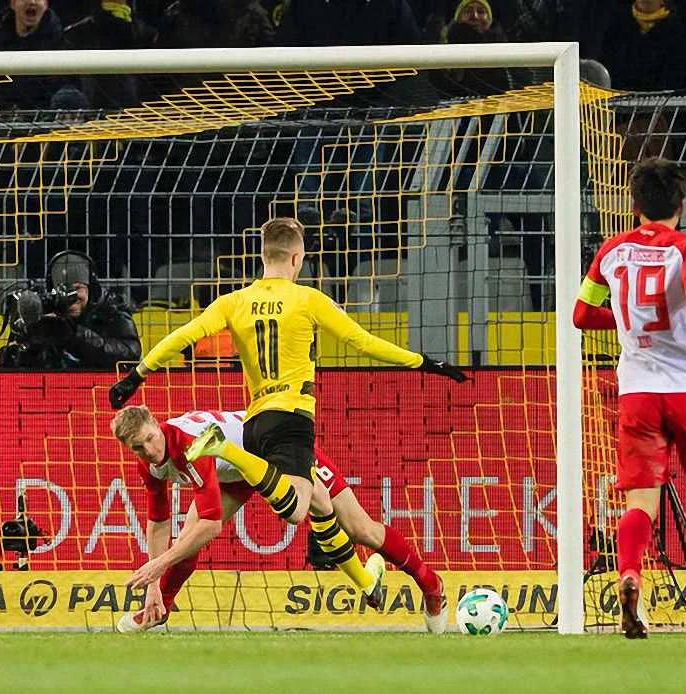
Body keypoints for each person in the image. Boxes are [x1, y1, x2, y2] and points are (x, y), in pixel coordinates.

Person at [107, 217, 466, 606]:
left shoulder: (233, 301)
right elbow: (361, 342)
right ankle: (422, 583)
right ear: (298, 257)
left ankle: (374, 582)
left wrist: (136, 375)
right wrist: (422, 362)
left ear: (262, 256)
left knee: (313, 509)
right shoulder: (309, 299)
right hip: (291, 421)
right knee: (309, 513)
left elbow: (183, 336)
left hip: (253, 427)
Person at [571, 157, 686, 640]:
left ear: (634, 205)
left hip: (637, 391)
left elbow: (580, 315)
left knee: (640, 501)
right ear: (682, 204)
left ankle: (630, 574)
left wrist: (626, 321)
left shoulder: (611, 250)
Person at [110, 406, 448, 633]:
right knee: (186, 542)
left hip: (277, 448)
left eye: (150, 439)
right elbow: (158, 522)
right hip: (236, 471)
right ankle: (159, 609)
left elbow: (210, 523)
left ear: (156, 424)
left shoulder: (188, 445)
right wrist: (153, 586)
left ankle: (431, 586)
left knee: (360, 529)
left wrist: (158, 565)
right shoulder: (149, 463)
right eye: (138, 447)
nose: (149, 451)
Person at [0, 251, 142, 369]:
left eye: (78, 288)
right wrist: (35, 340)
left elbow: (131, 354)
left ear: (90, 288)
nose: (72, 296)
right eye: (63, 290)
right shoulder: (49, 311)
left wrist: (75, 336)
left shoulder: (110, 307)